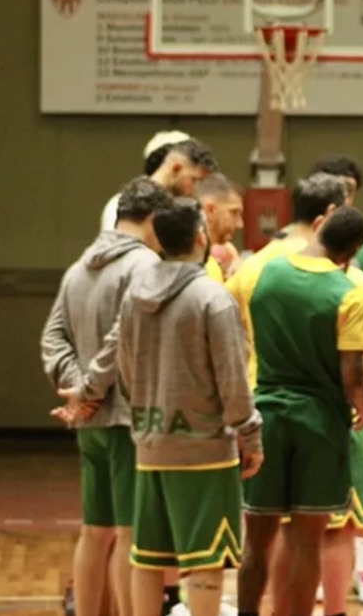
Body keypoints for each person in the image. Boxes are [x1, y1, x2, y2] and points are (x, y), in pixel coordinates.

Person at [103, 197, 262, 616]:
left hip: (151, 447)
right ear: (199, 236)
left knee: (148, 558)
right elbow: (233, 379)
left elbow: (123, 366)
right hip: (204, 451)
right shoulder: (212, 297)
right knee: (206, 560)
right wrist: (250, 433)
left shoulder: (134, 293)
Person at [235, 206, 363, 616]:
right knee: (305, 540)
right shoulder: (346, 289)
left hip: (266, 417)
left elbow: (236, 325)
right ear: (349, 254)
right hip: (319, 423)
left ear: (319, 228)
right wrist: (362, 407)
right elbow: (352, 373)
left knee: (257, 541)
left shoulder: (262, 272)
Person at [42, 177, 171, 616]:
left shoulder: (78, 267)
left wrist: (78, 387)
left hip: (90, 424)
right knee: (131, 533)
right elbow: (124, 336)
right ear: (153, 219)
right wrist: (89, 389)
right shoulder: (146, 267)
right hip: (125, 419)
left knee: (94, 531)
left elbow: (53, 337)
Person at [309, 154, 363, 608]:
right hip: (315, 379)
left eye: (347, 187)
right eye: (332, 189)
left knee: (361, 466)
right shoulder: (299, 250)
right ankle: (320, 569)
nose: (342, 195)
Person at [99, 135, 218, 232]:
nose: (195, 190)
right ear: (176, 168)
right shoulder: (120, 205)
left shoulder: (189, 212)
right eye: (194, 180)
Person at [194, 174, 244, 282]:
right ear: (210, 210)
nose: (240, 224)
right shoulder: (201, 268)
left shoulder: (215, 261)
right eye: (234, 213)